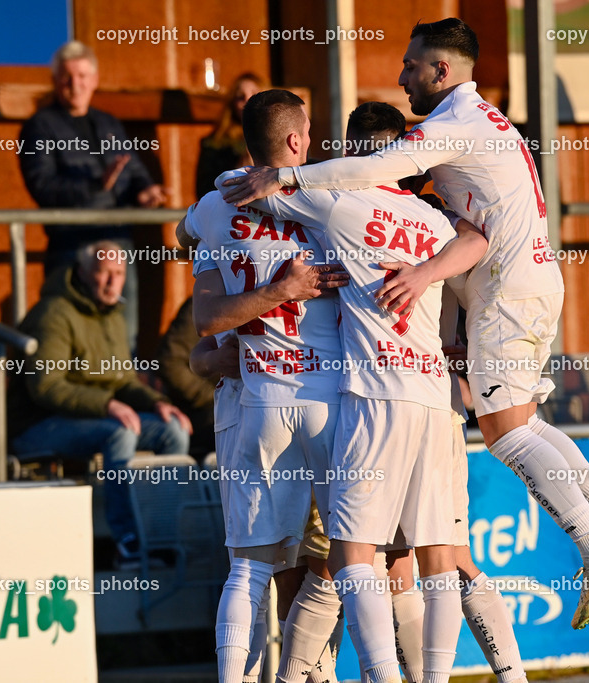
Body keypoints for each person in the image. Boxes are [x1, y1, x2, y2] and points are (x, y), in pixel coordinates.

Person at [221, 18, 589, 630]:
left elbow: (373, 173)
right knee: (523, 422)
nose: (402, 77)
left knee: (504, 433)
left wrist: (284, 176)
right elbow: (469, 224)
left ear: (442, 70)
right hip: (526, 281)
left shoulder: (452, 126)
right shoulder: (483, 120)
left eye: (411, 66)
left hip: (503, 293)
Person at [181, 89, 351, 683]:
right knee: (341, 560)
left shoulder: (213, 204)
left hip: (259, 400)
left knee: (251, 566)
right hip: (328, 402)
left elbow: (185, 237)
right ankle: (313, 673)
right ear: (298, 142)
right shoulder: (330, 201)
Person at [7, 241, 192, 565]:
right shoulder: (53, 313)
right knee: (119, 433)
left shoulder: (112, 314)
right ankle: (128, 542)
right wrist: (108, 404)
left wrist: (158, 402)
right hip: (38, 424)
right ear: (82, 273)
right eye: (104, 272)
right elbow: (46, 386)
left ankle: (162, 535)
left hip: (92, 417)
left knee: (172, 429)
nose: (112, 281)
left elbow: (121, 379)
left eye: (119, 273)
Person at [18, 40, 169, 349]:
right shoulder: (39, 127)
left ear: (95, 80)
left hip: (118, 241)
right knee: (73, 343)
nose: (76, 84)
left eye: (83, 76)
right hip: (72, 247)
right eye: (68, 77)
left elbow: (133, 169)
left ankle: (124, 398)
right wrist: (97, 185)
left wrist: (145, 191)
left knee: (123, 339)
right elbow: (42, 187)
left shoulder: (108, 123)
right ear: (56, 81)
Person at [156, 297, 217, 457]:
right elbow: (170, 362)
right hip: (204, 410)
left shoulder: (277, 303)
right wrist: (214, 395)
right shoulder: (204, 303)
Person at [196, 73, 266, 197]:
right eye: (240, 97)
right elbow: (203, 191)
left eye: (254, 94)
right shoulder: (214, 144)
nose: (247, 100)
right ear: (232, 104)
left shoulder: (281, 137)